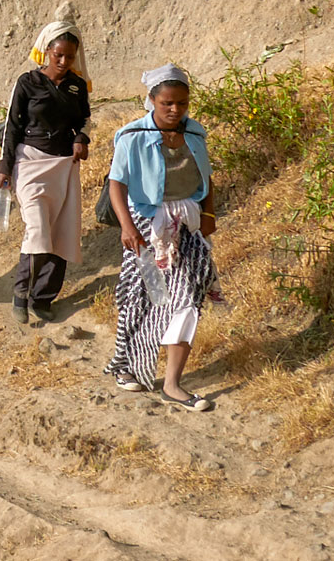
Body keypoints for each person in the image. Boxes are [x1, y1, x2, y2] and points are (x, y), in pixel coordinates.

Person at [105, 65, 219, 410]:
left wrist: (209, 215)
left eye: (181, 104)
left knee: (187, 297)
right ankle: (129, 365)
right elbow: (116, 185)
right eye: (167, 103)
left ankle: (172, 383)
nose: (174, 110)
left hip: (188, 223)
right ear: (151, 100)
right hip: (144, 224)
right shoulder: (132, 137)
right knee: (144, 297)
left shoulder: (196, 135)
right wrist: (127, 227)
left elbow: (207, 178)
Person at [0, 22, 91, 324]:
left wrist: (81, 138)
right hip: (30, 161)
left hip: (64, 166)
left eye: (69, 57)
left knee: (62, 232)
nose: (63, 63)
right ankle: (21, 294)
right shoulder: (27, 82)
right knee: (37, 228)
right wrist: (4, 166)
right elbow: (12, 125)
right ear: (47, 50)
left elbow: (86, 121)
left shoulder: (77, 86)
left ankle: (44, 297)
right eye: (58, 55)